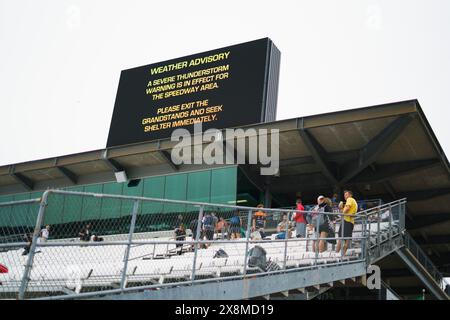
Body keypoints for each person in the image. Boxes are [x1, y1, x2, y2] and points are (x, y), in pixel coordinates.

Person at [336, 190, 358, 256]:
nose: (345, 196)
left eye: (346, 194)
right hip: (350, 221)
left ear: (350, 195)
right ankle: (343, 254)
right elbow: (346, 209)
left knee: (341, 238)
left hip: (346, 221)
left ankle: (336, 254)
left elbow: (347, 208)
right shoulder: (353, 201)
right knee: (347, 239)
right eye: (344, 195)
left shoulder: (350, 199)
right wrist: (341, 208)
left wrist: (341, 213)